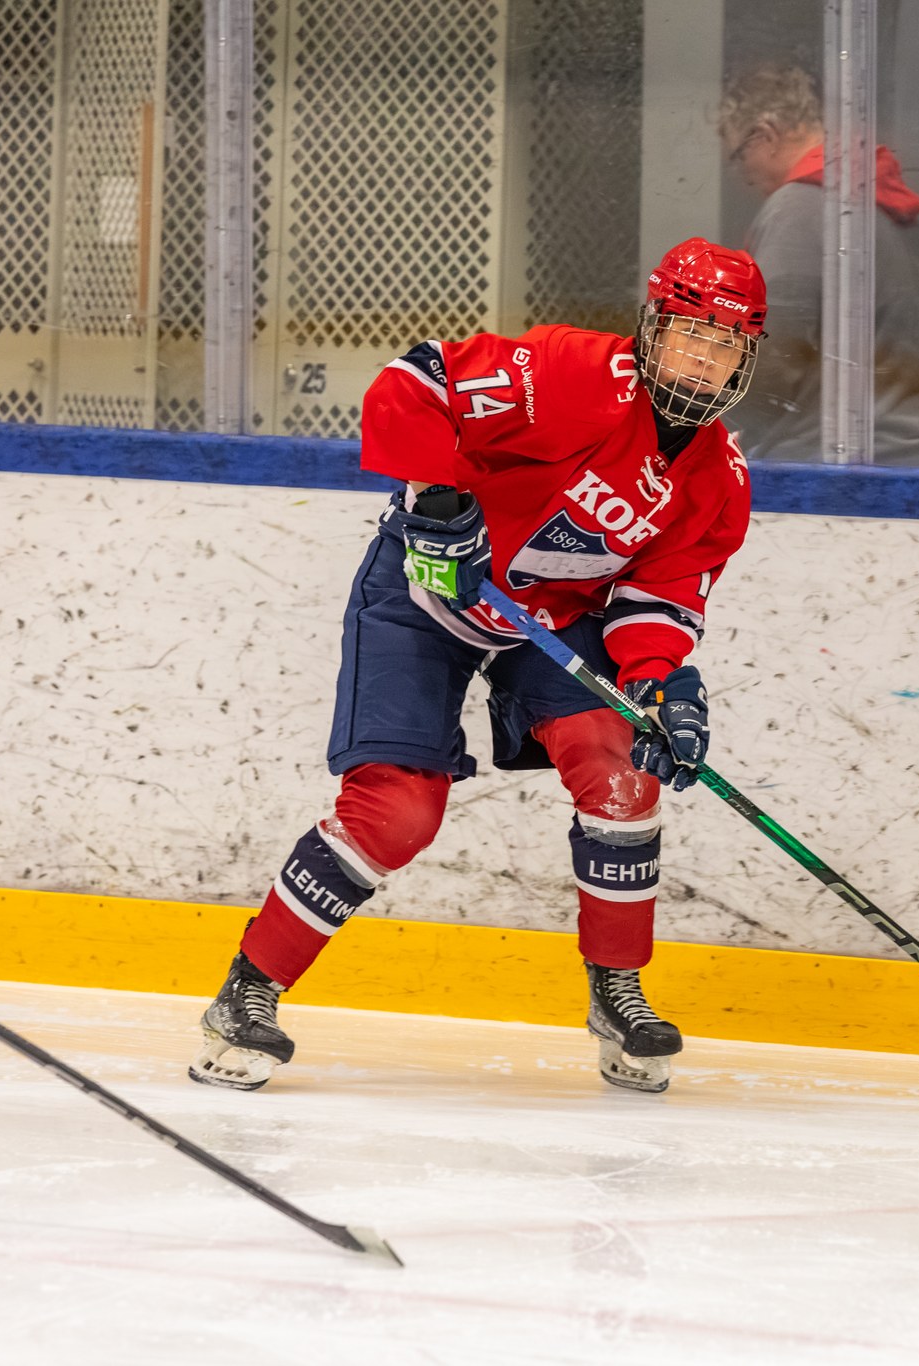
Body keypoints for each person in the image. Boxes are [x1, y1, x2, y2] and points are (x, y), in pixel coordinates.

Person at [188, 239, 767, 1095]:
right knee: (396, 813)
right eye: (690, 335)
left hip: (548, 622)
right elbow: (415, 381)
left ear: (746, 361)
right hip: (427, 591)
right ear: (652, 329)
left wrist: (660, 684)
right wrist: (439, 496)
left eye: (725, 345)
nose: (703, 359)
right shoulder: (573, 375)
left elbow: (660, 595)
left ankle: (617, 992)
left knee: (621, 772)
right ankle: (247, 993)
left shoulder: (720, 478)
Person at [717, 63, 919, 465]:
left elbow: (774, 359)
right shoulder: (880, 198)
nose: (742, 176)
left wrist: (711, 429)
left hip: (825, 463)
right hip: (911, 455)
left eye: (738, 156)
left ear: (766, 135)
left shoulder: (799, 208)